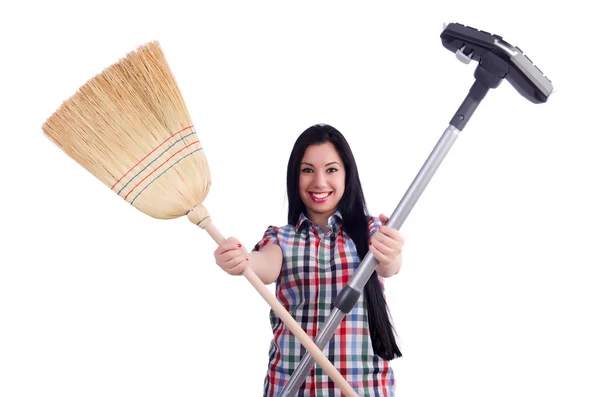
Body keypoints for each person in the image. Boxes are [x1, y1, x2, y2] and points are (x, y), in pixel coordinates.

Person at [214, 123, 404, 396]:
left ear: (347, 175)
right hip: (293, 388)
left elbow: (390, 265)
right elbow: (263, 266)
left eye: (331, 170)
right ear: (295, 176)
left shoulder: (371, 231)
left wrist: (392, 250)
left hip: (364, 388)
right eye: (307, 170)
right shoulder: (281, 238)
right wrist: (241, 258)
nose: (319, 182)